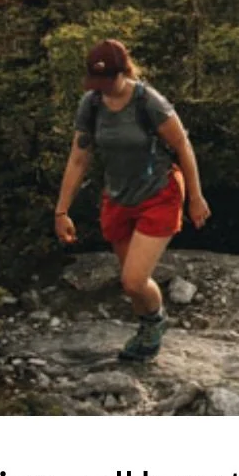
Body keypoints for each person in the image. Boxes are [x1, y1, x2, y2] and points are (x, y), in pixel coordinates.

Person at [53, 39, 209, 363]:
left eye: (108, 81)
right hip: (118, 197)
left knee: (134, 279)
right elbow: (79, 158)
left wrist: (195, 197)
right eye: (96, 83)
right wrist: (62, 210)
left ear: (123, 72)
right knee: (132, 286)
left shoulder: (148, 102)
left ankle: (155, 324)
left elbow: (183, 146)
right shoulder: (91, 104)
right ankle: (146, 331)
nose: (103, 89)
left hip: (158, 194)